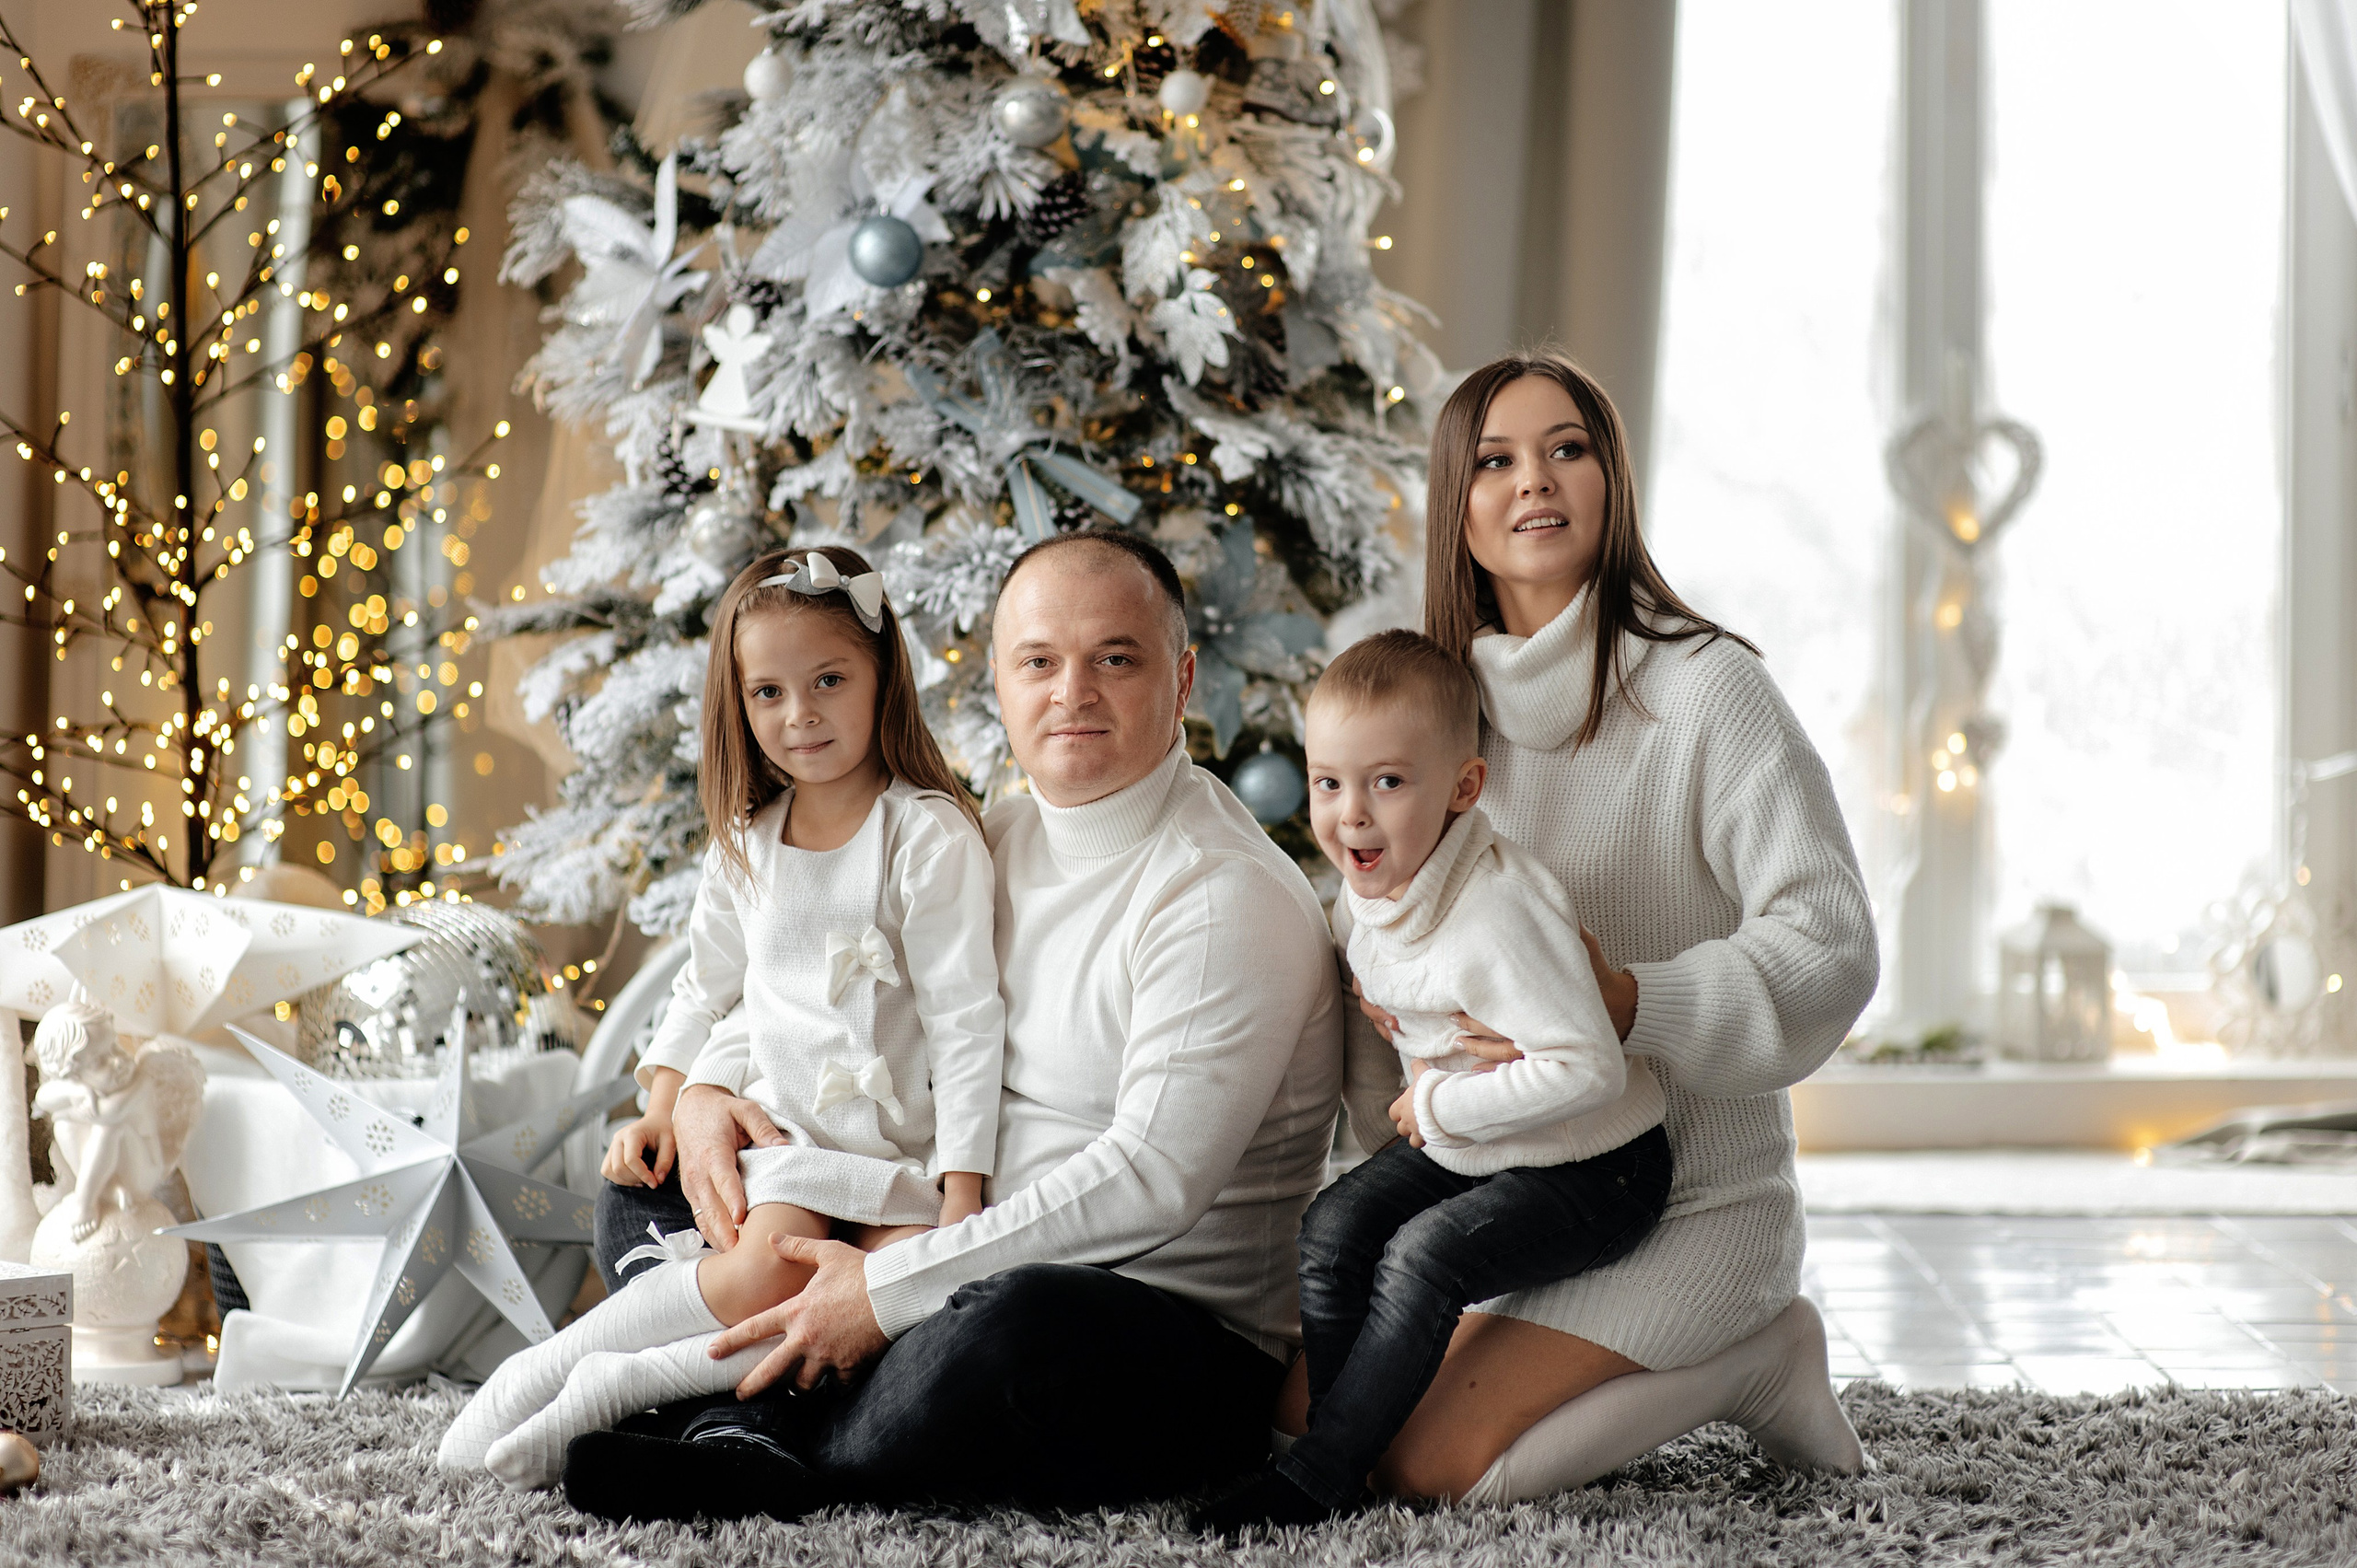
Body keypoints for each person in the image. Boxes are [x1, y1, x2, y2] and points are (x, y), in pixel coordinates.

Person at [559, 529, 1344, 1524]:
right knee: (654, 1174)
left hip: (1139, 1316)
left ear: (1182, 677)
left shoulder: (1220, 895)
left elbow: (1153, 1182)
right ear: (998, 683)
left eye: (1115, 657)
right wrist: (711, 1090)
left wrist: (890, 1285)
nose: (1073, 692)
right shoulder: (994, 833)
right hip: (928, 1233)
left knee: (1009, 1332)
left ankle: (734, 1422)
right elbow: (834, 994)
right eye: (1039, 662)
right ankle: (750, 1432)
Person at [1284, 352, 1880, 1502]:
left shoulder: (1710, 693)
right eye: (1495, 460)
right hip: (1501, 1196)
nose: (1534, 481)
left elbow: (1832, 943)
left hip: (1687, 1197)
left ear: (1611, 480)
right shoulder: (1429, 715)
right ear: (1456, 506)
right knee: (1310, 1407)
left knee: (1419, 1465)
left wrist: (1635, 1002)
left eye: (1568, 448)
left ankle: (1758, 1354)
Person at [437, 545, 1003, 1489]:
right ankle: (548, 1366)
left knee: (885, 1308)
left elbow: (965, 1020)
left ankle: (617, 1386)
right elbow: (704, 989)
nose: (801, 713)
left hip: (907, 1151)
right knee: (756, 1275)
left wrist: (962, 1193)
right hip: (797, 1137)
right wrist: (664, 1105)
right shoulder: (749, 840)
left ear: (881, 675)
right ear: (738, 703)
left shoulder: (928, 833)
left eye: (829, 680)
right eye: (769, 692)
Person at [1200, 631, 1672, 1534]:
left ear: (1462, 788)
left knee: (1425, 1255)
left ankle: (1321, 1475)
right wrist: (1408, 1081)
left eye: (1387, 781)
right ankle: (1340, 1440)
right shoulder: (1363, 891)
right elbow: (1391, 1012)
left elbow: (1588, 1065)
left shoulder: (1497, 913)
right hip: (1482, 1134)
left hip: (1596, 1160)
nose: (1351, 816)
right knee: (1335, 1225)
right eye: (1330, 782)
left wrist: (1435, 1102)